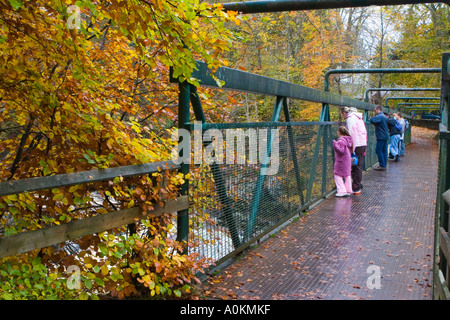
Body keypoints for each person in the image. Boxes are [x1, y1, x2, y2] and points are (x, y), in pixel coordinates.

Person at [340, 106, 367, 195]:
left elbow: (352, 134)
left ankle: (356, 188)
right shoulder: (359, 118)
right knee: (358, 165)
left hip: (357, 144)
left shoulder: (350, 119)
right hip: (362, 143)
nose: (342, 117)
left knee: (355, 166)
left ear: (344, 113)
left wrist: (352, 148)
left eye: (341, 114)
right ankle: (358, 184)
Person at [332, 126, 353, 197]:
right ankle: (348, 189)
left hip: (341, 160)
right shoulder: (348, 140)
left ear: (339, 132)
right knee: (347, 175)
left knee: (337, 174)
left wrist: (335, 144)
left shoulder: (341, 141)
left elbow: (340, 150)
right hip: (347, 160)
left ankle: (341, 191)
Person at [369, 105, 389, 171]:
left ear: (378, 109)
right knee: (384, 150)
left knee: (378, 150)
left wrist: (370, 118)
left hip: (381, 136)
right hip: (385, 135)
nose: (374, 111)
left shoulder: (380, 116)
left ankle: (382, 165)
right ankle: (384, 164)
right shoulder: (383, 116)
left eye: (375, 110)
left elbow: (372, 120)